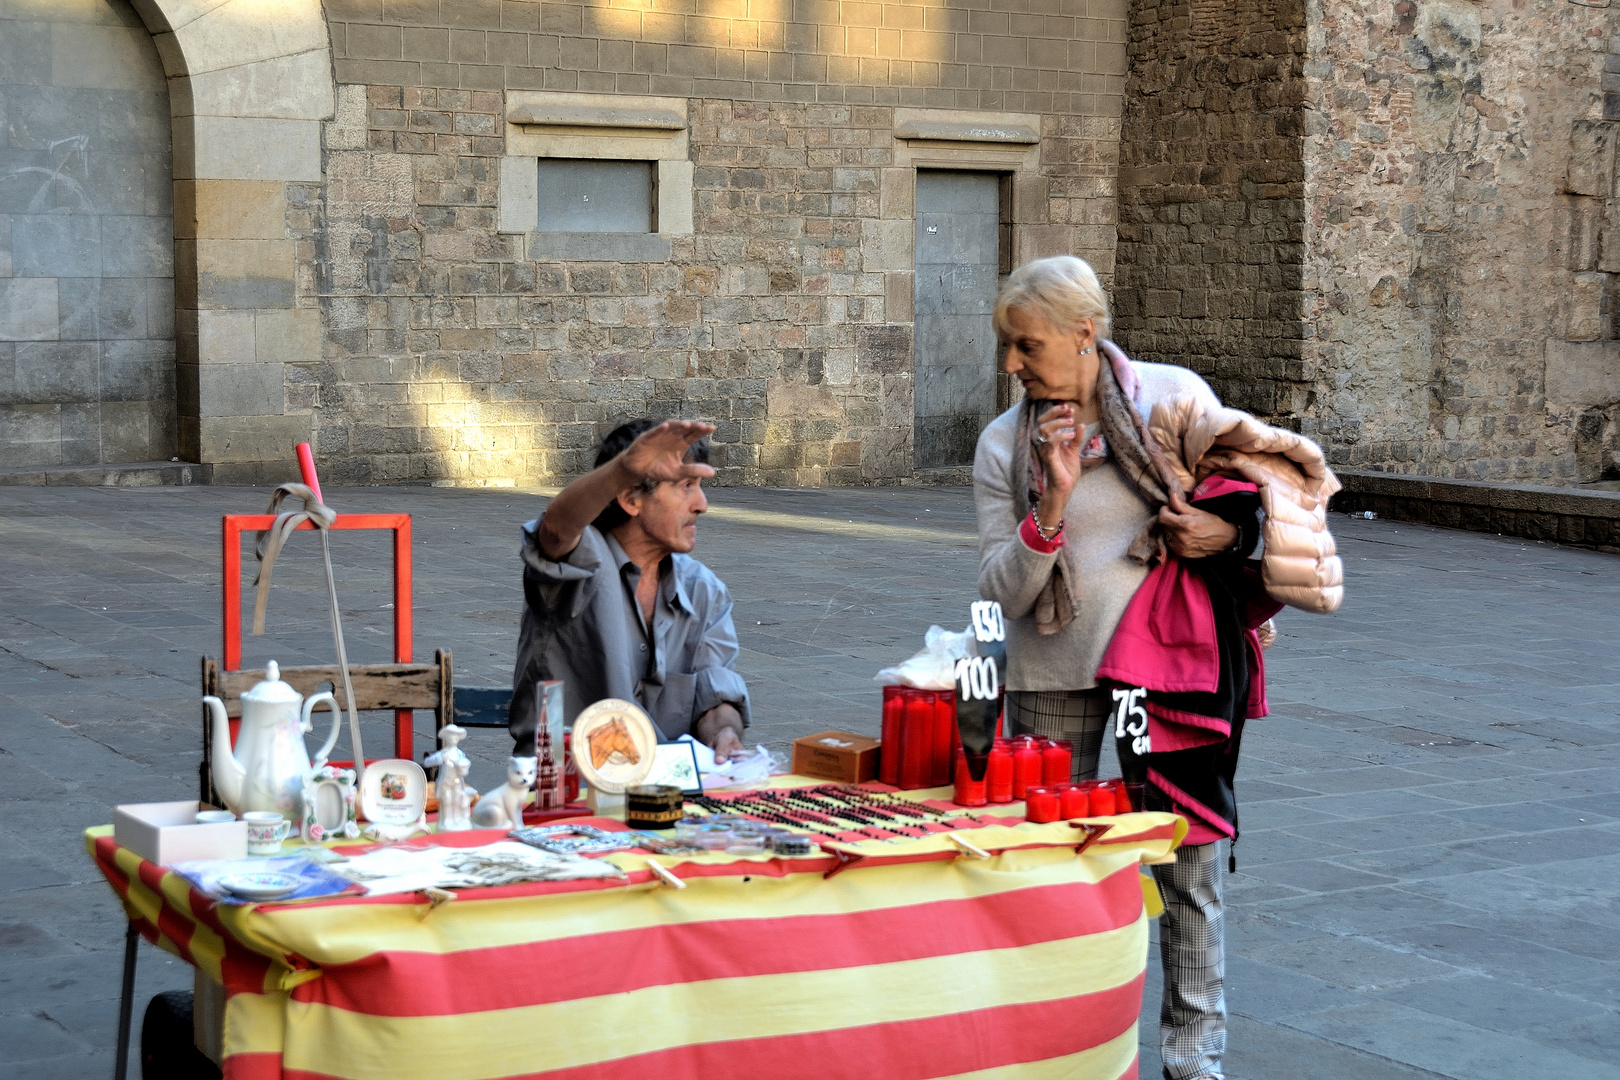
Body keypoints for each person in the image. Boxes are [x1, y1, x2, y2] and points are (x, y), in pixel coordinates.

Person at [973, 255, 1258, 1080]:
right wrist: (1051, 508)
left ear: (1084, 334)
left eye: (1026, 346)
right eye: (1008, 347)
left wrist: (1232, 541)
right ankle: (1057, 1051)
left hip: (1166, 681)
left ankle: (1193, 1058)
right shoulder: (1005, 444)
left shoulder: (1173, 401)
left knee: (1184, 868)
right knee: (1052, 869)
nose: (1012, 366)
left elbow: (1248, 502)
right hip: (1050, 677)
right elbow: (1001, 590)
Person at [508, 419, 750, 761]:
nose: (701, 504)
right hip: (565, 788)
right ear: (630, 498)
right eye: (685, 486)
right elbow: (557, 530)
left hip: (666, 791)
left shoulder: (705, 591)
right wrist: (621, 470)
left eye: (700, 486)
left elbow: (715, 693)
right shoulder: (582, 562)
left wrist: (725, 733)